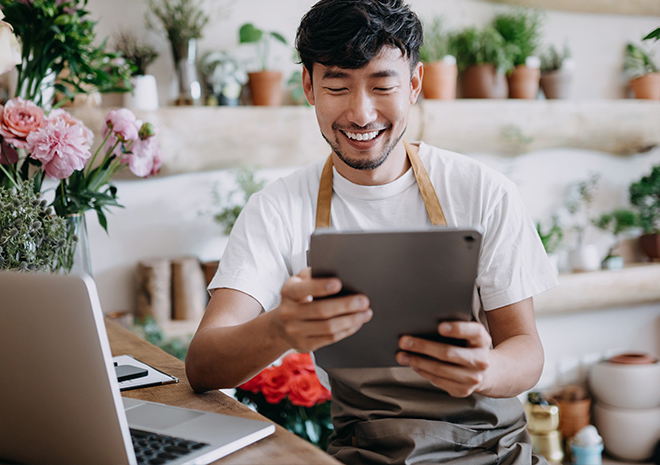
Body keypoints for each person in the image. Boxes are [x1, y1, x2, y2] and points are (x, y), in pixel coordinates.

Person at [185, 0, 558, 463]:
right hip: (367, 453)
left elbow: (526, 350)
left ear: (415, 84)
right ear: (308, 87)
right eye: (337, 87)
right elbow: (202, 364)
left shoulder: (483, 191)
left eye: (383, 85)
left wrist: (485, 369)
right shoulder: (277, 209)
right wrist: (281, 327)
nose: (361, 114)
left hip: (492, 450)